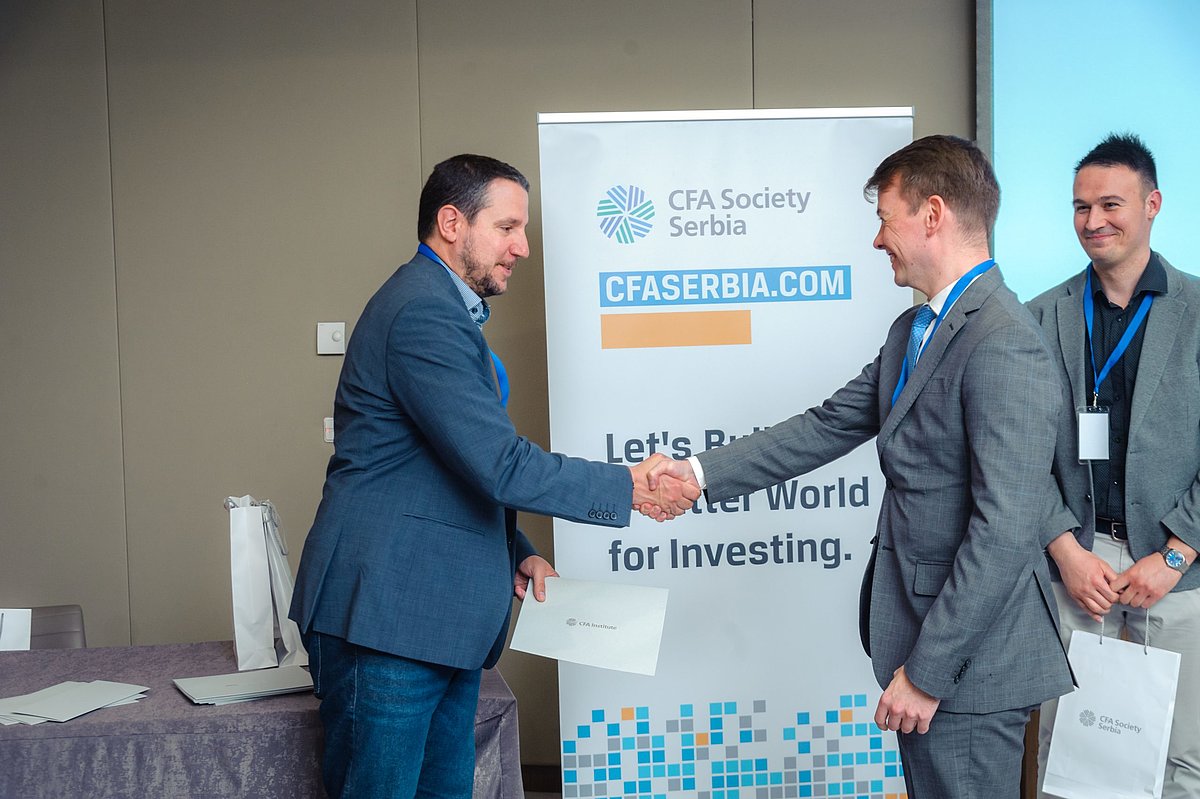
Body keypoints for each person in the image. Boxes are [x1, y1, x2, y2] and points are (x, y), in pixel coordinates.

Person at [647, 135, 1073, 798]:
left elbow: (1005, 530)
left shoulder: (1003, 341)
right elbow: (826, 425)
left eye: (885, 219)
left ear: (932, 214)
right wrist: (697, 474)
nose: (877, 240)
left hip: (971, 668)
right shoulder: (914, 331)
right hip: (929, 645)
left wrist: (928, 672)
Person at [289, 153, 698, 799]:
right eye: (507, 227)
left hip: (431, 618)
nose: (522, 247)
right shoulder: (421, 312)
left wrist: (516, 552)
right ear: (452, 222)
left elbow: (448, 469)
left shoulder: (443, 311)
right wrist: (630, 486)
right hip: (388, 618)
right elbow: (498, 462)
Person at [1029, 133, 1200, 799]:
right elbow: (1019, 456)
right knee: (1069, 755)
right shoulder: (1040, 316)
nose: (1093, 220)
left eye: (1110, 204)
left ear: (1152, 204)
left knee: (1183, 762)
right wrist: (1065, 550)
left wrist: (1177, 554)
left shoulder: (1197, 310)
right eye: (1081, 207)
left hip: (1176, 562)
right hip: (1077, 562)